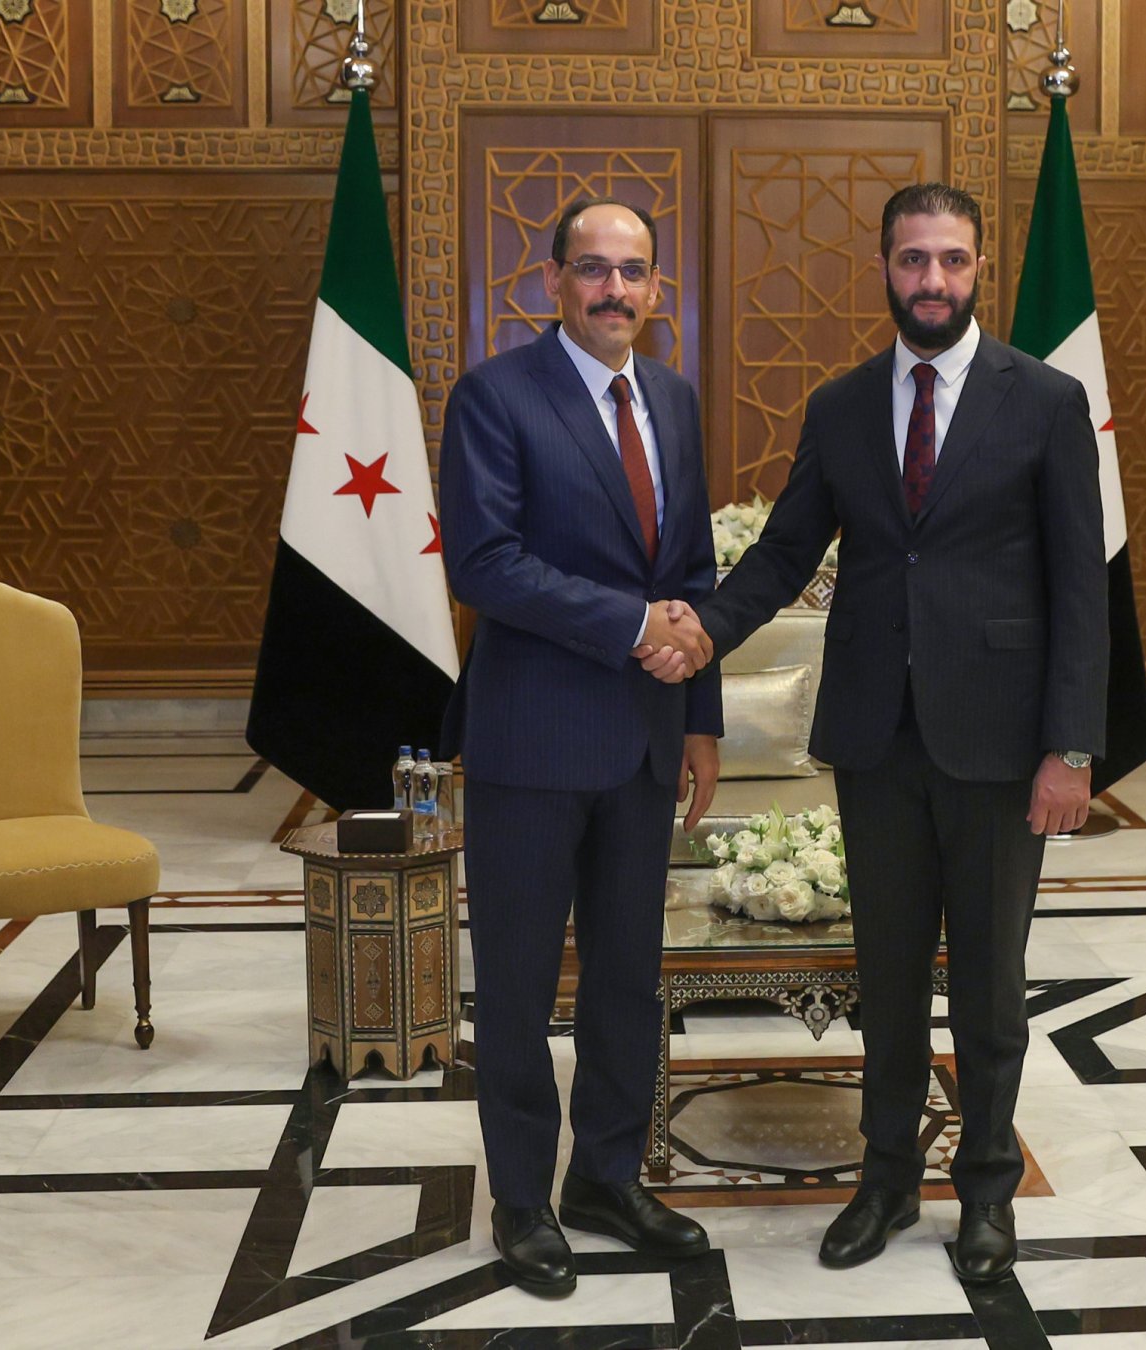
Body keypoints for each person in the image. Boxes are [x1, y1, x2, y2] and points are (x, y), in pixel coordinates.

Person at [646, 181, 1107, 1284]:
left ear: (979, 268)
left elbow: (1081, 588)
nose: (932, 281)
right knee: (890, 981)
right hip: (876, 742)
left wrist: (1073, 750)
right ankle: (887, 1179)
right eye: (913, 261)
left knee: (990, 991)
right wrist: (703, 630)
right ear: (885, 269)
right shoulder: (844, 403)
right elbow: (785, 551)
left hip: (1002, 748)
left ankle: (987, 1189)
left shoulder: (1043, 399)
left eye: (951, 260)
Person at [437, 196, 723, 1296]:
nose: (615, 291)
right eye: (593, 270)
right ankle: (522, 1197)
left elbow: (689, 571)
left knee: (626, 983)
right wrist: (630, 626)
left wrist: (700, 720)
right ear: (553, 281)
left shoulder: (676, 401)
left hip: (647, 742)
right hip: (531, 742)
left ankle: (606, 1176)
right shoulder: (496, 396)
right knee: (513, 987)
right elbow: (486, 562)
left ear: (657, 290)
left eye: (634, 271)